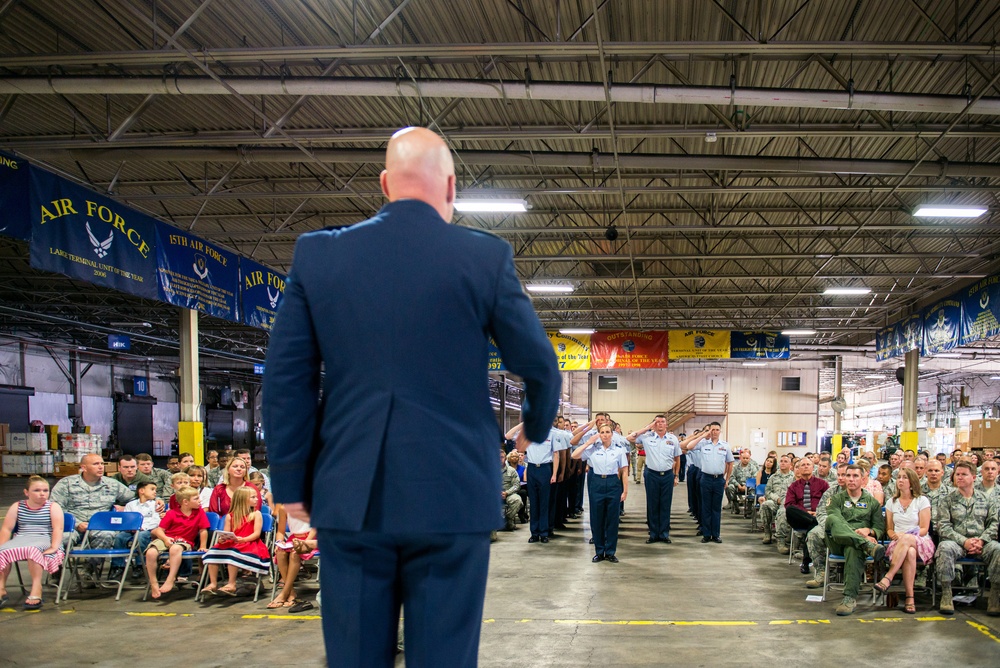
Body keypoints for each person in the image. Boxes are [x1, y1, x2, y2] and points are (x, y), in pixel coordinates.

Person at [262, 126, 561, 667]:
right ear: (451, 186)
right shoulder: (485, 257)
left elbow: (286, 380)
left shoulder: (318, 256)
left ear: (384, 183)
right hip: (452, 496)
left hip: (351, 496)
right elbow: (540, 366)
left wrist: (290, 482)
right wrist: (531, 431)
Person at [933, 461, 1000, 616]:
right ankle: (946, 594)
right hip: (957, 543)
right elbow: (943, 526)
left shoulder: (987, 499)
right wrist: (964, 541)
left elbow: (994, 524)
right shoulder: (947, 499)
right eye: (957, 474)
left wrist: (982, 540)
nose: (960, 477)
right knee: (944, 547)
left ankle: (995, 596)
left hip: (981, 543)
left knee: (997, 549)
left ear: (974, 477)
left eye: (964, 474)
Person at [824, 464, 887, 616]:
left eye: (855, 476)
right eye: (848, 476)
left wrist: (870, 531)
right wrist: (860, 537)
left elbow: (879, 528)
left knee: (853, 548)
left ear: (863, 479)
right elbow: (835, 522)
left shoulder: (872, 502)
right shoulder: (836, 499)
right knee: (832, 518)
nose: (851, 479)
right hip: (837, 542)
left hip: (856, 546)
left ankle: (849, 598)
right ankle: (864, 544)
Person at [0, 476, 64, 610]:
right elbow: (6, 529)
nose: (42, 493)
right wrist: (2, 546)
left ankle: (36, 588)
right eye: (37, 490)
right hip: (22, 537)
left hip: (43, 537)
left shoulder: (53, 507)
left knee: (32, 550)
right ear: (26, 492)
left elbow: (58, 528)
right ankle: (1, 588)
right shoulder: (17, 506)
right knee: (2, 553)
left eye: (45, 490)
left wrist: (54, 546)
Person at [877, 468, 934, 614]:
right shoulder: (891, 502)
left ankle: (888, 577)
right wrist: (895, 535)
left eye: (904, 477)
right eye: (899, 477)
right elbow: (889, 529)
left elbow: (924, 529)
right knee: (909, 552)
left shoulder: (922, 500)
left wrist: (907, 535)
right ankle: (910, 598)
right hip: (899, 544)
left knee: (909, 541)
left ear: (912, 482)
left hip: (920, 540)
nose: (900, 480)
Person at [50, 453, 134, 550]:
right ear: (84, 468)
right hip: (72, 526)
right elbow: (55, 508)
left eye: (102, 464)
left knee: (107, 535)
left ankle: (94, 565)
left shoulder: (112, 484)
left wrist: (125, 508)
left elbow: (134, 500)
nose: (100, 467)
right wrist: (77, 524)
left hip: (100, 525)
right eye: (96, 464)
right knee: (61, 539)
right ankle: (58, 565)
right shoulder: (66, 484)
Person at [573, 423, 629, 562]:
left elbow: (624, 470)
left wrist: (625, 490)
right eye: (602, 432)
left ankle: (610, 551)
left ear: (612, 434)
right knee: (597, 519)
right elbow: (574, 455)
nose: (605, 434)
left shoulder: (619, 450)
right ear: (598, 434)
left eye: (607, 432)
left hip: (612, 483)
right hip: (596, 482)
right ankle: (599, 551)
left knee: (612, 519)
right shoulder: (592, 449)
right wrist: (588, 442)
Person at [202, 486, 270, 598]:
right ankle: (213, 583)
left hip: (250, 543)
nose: (257, 499)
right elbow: (227, 533)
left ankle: (231, 583)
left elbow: (256, 534)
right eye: (253, 497)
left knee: (233, 553)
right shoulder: (230, 516)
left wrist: (244, 539)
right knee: (212, 552)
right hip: (234, 542)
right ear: (243, 500)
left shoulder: (256, 514)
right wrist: (222, 538)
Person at [144, 486, 209, 599]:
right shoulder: (171, 513)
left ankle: (170, 579)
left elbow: (203, 530)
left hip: (184, 541)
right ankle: (154, 583)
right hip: (167, 538)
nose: (200, 501)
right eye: (196, 498)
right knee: (151, 553)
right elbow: (159, 530)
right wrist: (165, 539)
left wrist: (203, 546)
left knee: (175, 549)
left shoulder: (199, 513)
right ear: (185, 502)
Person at [627, 415, 681, 544]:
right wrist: (647, 428)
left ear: (666, 425)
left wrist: (676, 475)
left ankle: (664, 534)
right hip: (652, 475)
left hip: (667, 475)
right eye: (657, 422)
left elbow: (677, 458)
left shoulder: (673, 439)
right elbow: (630, 438)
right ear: (654, 425)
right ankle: (653, 534)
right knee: (652, 504)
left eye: (662, 422)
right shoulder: (647, 438)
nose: (660, 424)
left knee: (665, 505)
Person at [508, 421, 560, 543]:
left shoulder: (551, 434)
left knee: (544, 502)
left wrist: (554, 474)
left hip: (545, 468)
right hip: (531, 468)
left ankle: (544, 532)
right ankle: (534, 533)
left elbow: (556, 454)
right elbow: (508, 436)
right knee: (534, 502)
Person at [687, 422, 734, 544]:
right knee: (706, 507)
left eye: (717, 430)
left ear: (720, 431)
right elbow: (689, 446)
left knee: (716, 508)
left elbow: (730, 463)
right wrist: (703, 435)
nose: (714, 432)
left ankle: (716, 534)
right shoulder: (703, 444)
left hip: (718, 479)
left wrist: (727, 479)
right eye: (712, 430)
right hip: (705, 478)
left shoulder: (725, 446)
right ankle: (707, 534)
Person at [108, 480, 160, 582]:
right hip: (131, 530)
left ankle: (140, 565)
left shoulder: (155, 505)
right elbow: (126, 519)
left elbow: (156, 521)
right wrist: (131, 527)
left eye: (156, 490)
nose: (155, 492)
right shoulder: (130, 505)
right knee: (119, 537)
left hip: (147, 530)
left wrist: (142, 527)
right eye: (152, 489)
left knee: (141, 537)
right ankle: (117, 566)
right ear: (141, 491)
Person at [784, 458, 829, 573]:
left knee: (812, 525)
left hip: (818, 515)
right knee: (790, 509)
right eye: (802, 465)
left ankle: (805, 561)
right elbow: (789, 504)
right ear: (798, 469)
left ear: (813, 467)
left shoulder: (822, 484)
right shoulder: (793, 486)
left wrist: (818, 512)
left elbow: (829, 502)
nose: (805, 466)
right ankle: (812, 520)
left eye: (808, 464)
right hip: (800, 517)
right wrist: (805, 512)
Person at [805, 466, 848, 589]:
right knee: (813, 534)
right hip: (829, 526)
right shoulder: (831, 492)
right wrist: (828, 526)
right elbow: (821, 511)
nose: (840, 478)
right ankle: (821, 573)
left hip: (849, 528)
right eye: (838, 475)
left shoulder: (860, 493)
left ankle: (849, 575)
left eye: (844, 475)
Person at [270, 503, 318, 610]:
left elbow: (316, 527)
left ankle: (284, 594)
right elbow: (281, 531)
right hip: (293, 538)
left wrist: (305, 543)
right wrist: (279, 541)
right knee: (280, 551)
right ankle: (290, 591)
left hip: (311, 538)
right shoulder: (283, 508)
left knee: (294, 553)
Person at [758, 455, 794, 545]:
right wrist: (776, 498)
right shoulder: (773, 477)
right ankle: (767, 533)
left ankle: (781, 539)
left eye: (785, 461)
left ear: (790, 465)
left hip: (788, 504)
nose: (783, 463)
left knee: (783, 511)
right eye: (781, 461)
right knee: (765, 505)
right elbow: (768, 491)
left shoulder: (793, 477)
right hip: (775, 502)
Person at [500, 449, 523, 531]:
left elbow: (517, 485)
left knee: (517, 500)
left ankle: (506, 520)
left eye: (502, 457)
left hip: (508, 494)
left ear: (505, 458)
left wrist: (507, 492)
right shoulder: (491, 471)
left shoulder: (511, 471)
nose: (500, 459)